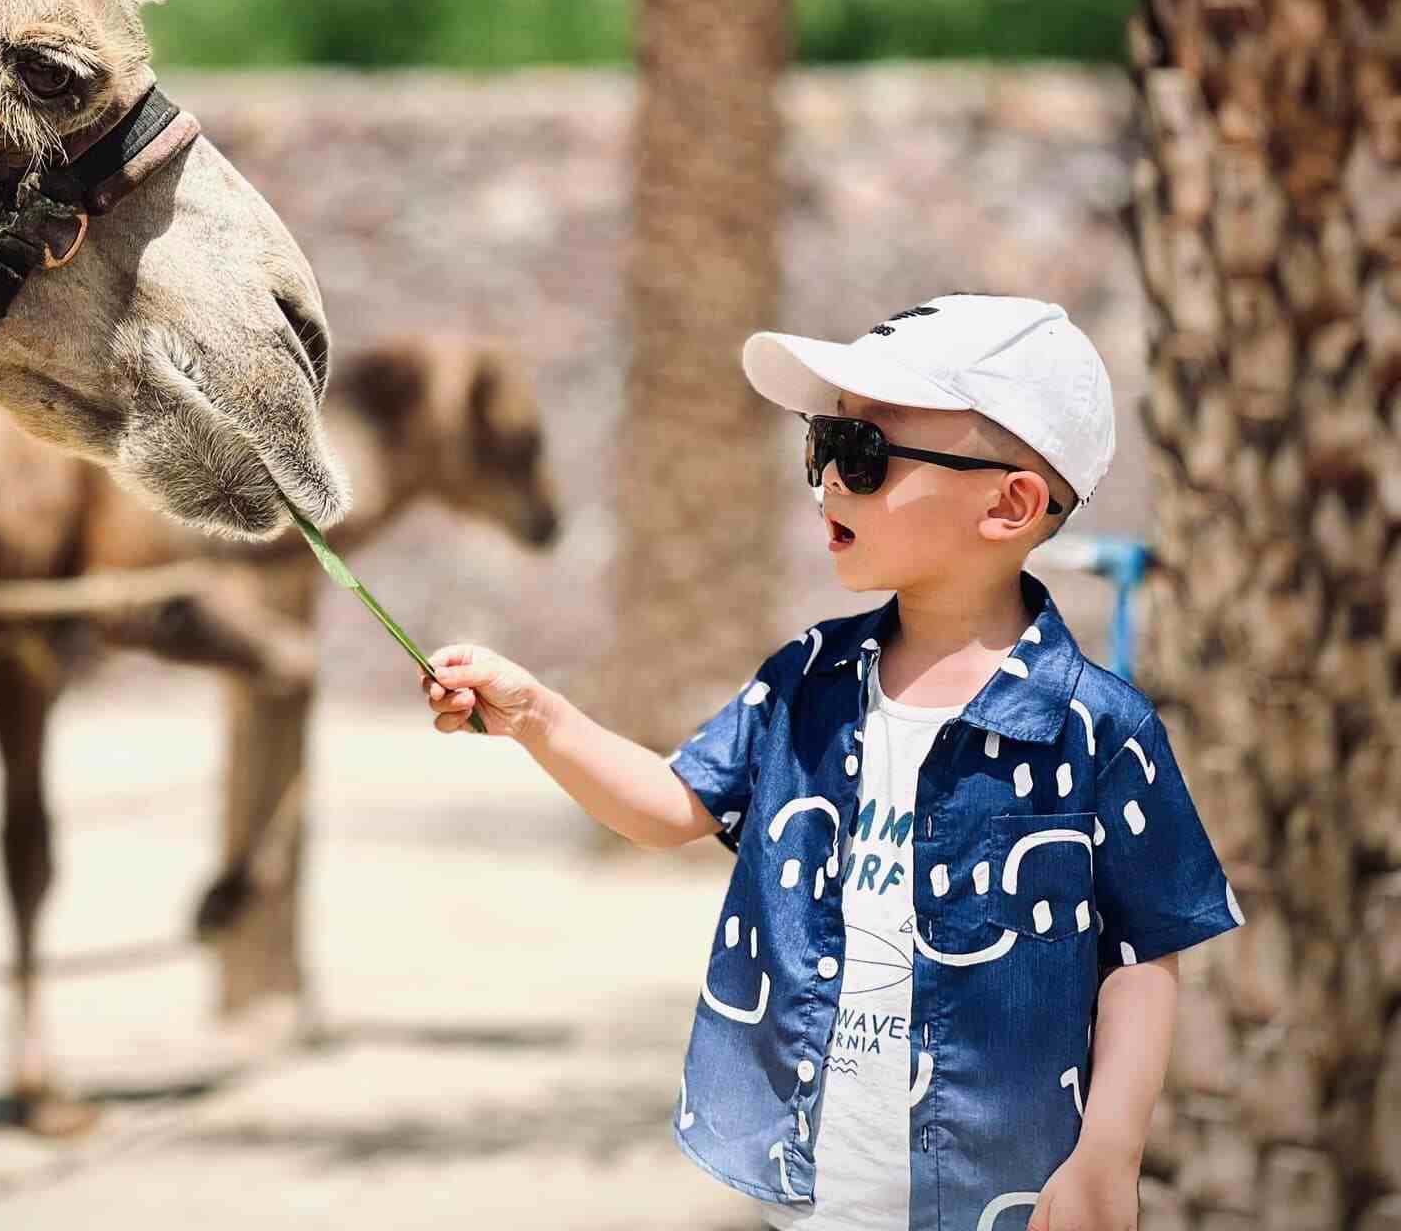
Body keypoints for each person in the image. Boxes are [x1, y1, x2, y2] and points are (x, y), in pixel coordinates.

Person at [420, 294, 1242, 1230]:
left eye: (862, 456)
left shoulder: (1098, 727)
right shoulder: (806, 678)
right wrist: (539, 717)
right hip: (815, 1184)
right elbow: (671, 804)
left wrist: (1109, 1154)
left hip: (1006, 1193)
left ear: (1009, 503)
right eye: (822, 447)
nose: (827, 485)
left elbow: (1143, 951)